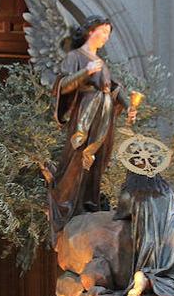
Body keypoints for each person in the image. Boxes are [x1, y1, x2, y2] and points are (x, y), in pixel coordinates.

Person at [44, 15, 138, 244]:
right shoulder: (75, 57)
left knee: (96, 162)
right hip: (83, 118)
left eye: (108, 33)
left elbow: (114, 89)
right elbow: (62, 86)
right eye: (103, 31)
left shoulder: (101, 63)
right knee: (78, 159)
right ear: (90, 31)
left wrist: (129, 107)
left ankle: (88, 203)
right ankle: (67, 206)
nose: (106, 37)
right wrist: (85, 72)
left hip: (103, 119)